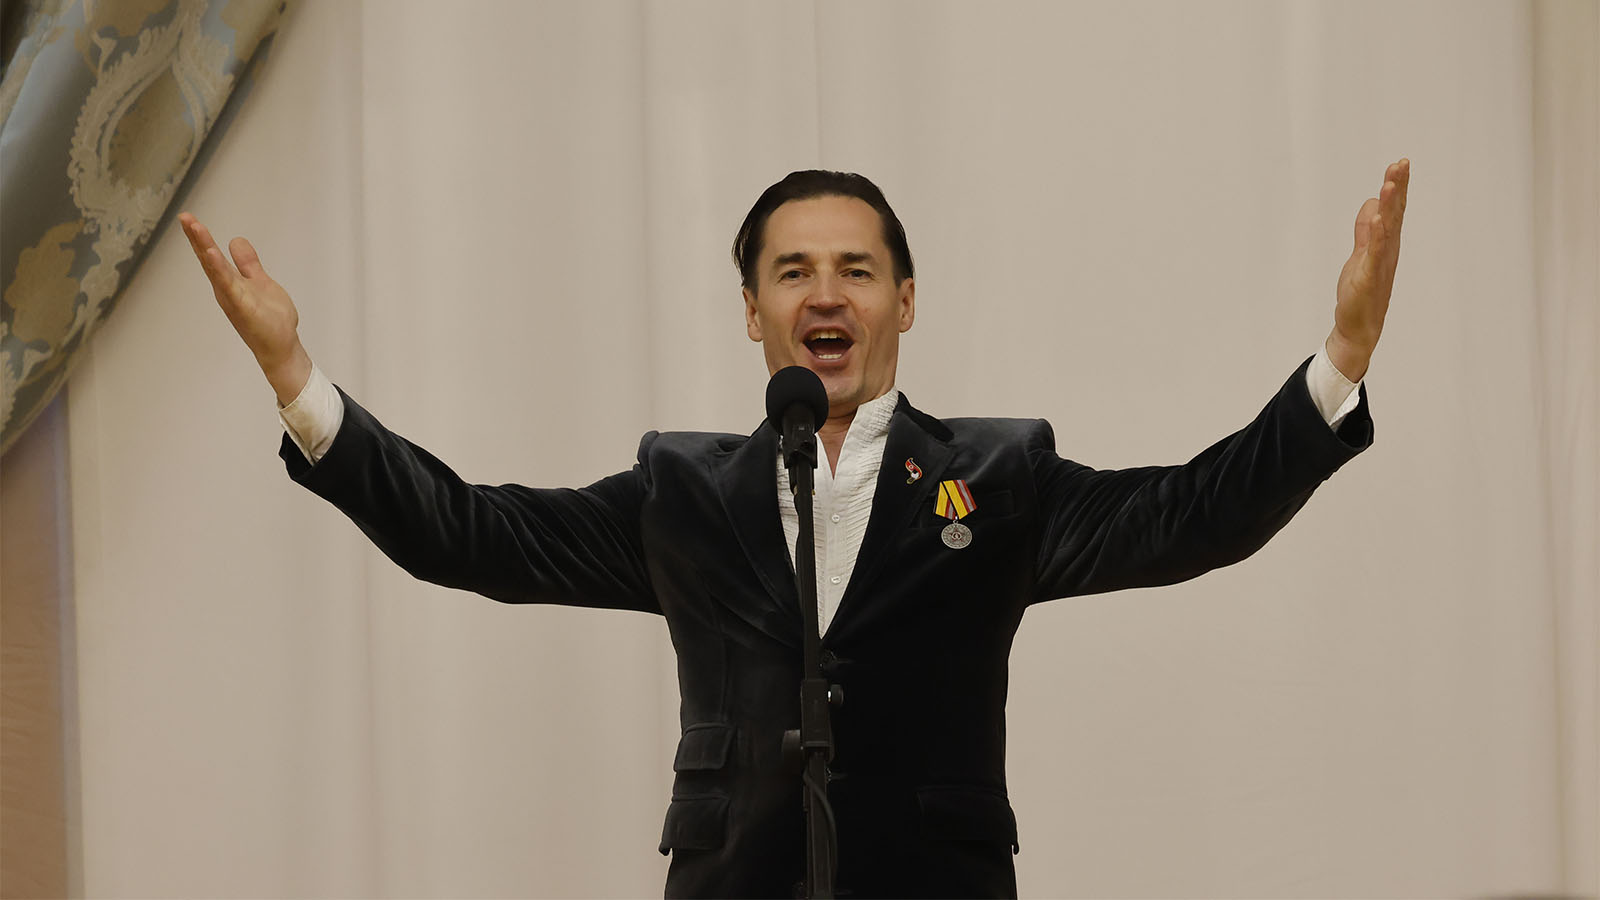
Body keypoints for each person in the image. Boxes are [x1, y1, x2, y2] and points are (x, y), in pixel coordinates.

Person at [179, 160, 1409, 898]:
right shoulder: (679, 491)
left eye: (857, 270)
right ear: (752, 310)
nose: (827, 293)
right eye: (793, 271)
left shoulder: (999, 476)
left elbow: (1193, 513)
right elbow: (473, 535)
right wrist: (298, 379)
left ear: (904, 301)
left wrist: (1341, 356)